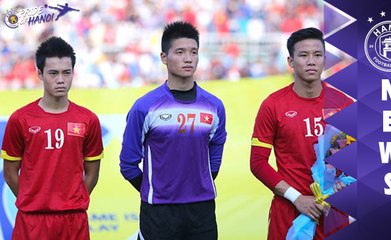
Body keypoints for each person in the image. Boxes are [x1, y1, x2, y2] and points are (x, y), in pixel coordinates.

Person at [119, 21, 227, 240]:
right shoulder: (144, 107)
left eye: (193, 52)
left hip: (202, 210)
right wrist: (153, 189)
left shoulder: (214, 106)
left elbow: (217, 147)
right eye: (180, 52)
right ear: (164, 58)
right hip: (159, 213)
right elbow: (128, 163)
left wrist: (204, 179)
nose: (188, 58)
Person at [250, 27, 353, 240]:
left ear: (325, 59)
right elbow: (258, 163)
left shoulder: (344, 104)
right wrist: (296, 198)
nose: (311, 61)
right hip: (290, 212)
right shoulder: (273, 105)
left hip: (334, 212)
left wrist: (348, 182)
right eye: (303, 55)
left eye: (317, 55)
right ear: (290, 61)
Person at [1, 36, 104, 240]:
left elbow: (92, 173)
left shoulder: (88, 119)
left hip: (73, 221)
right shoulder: (20, 119)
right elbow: (10, 172)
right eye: (53, 73)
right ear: (40, 74)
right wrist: (31, 199)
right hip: (31, 221)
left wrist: (75, 200)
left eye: (66, 73)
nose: (60, 80)